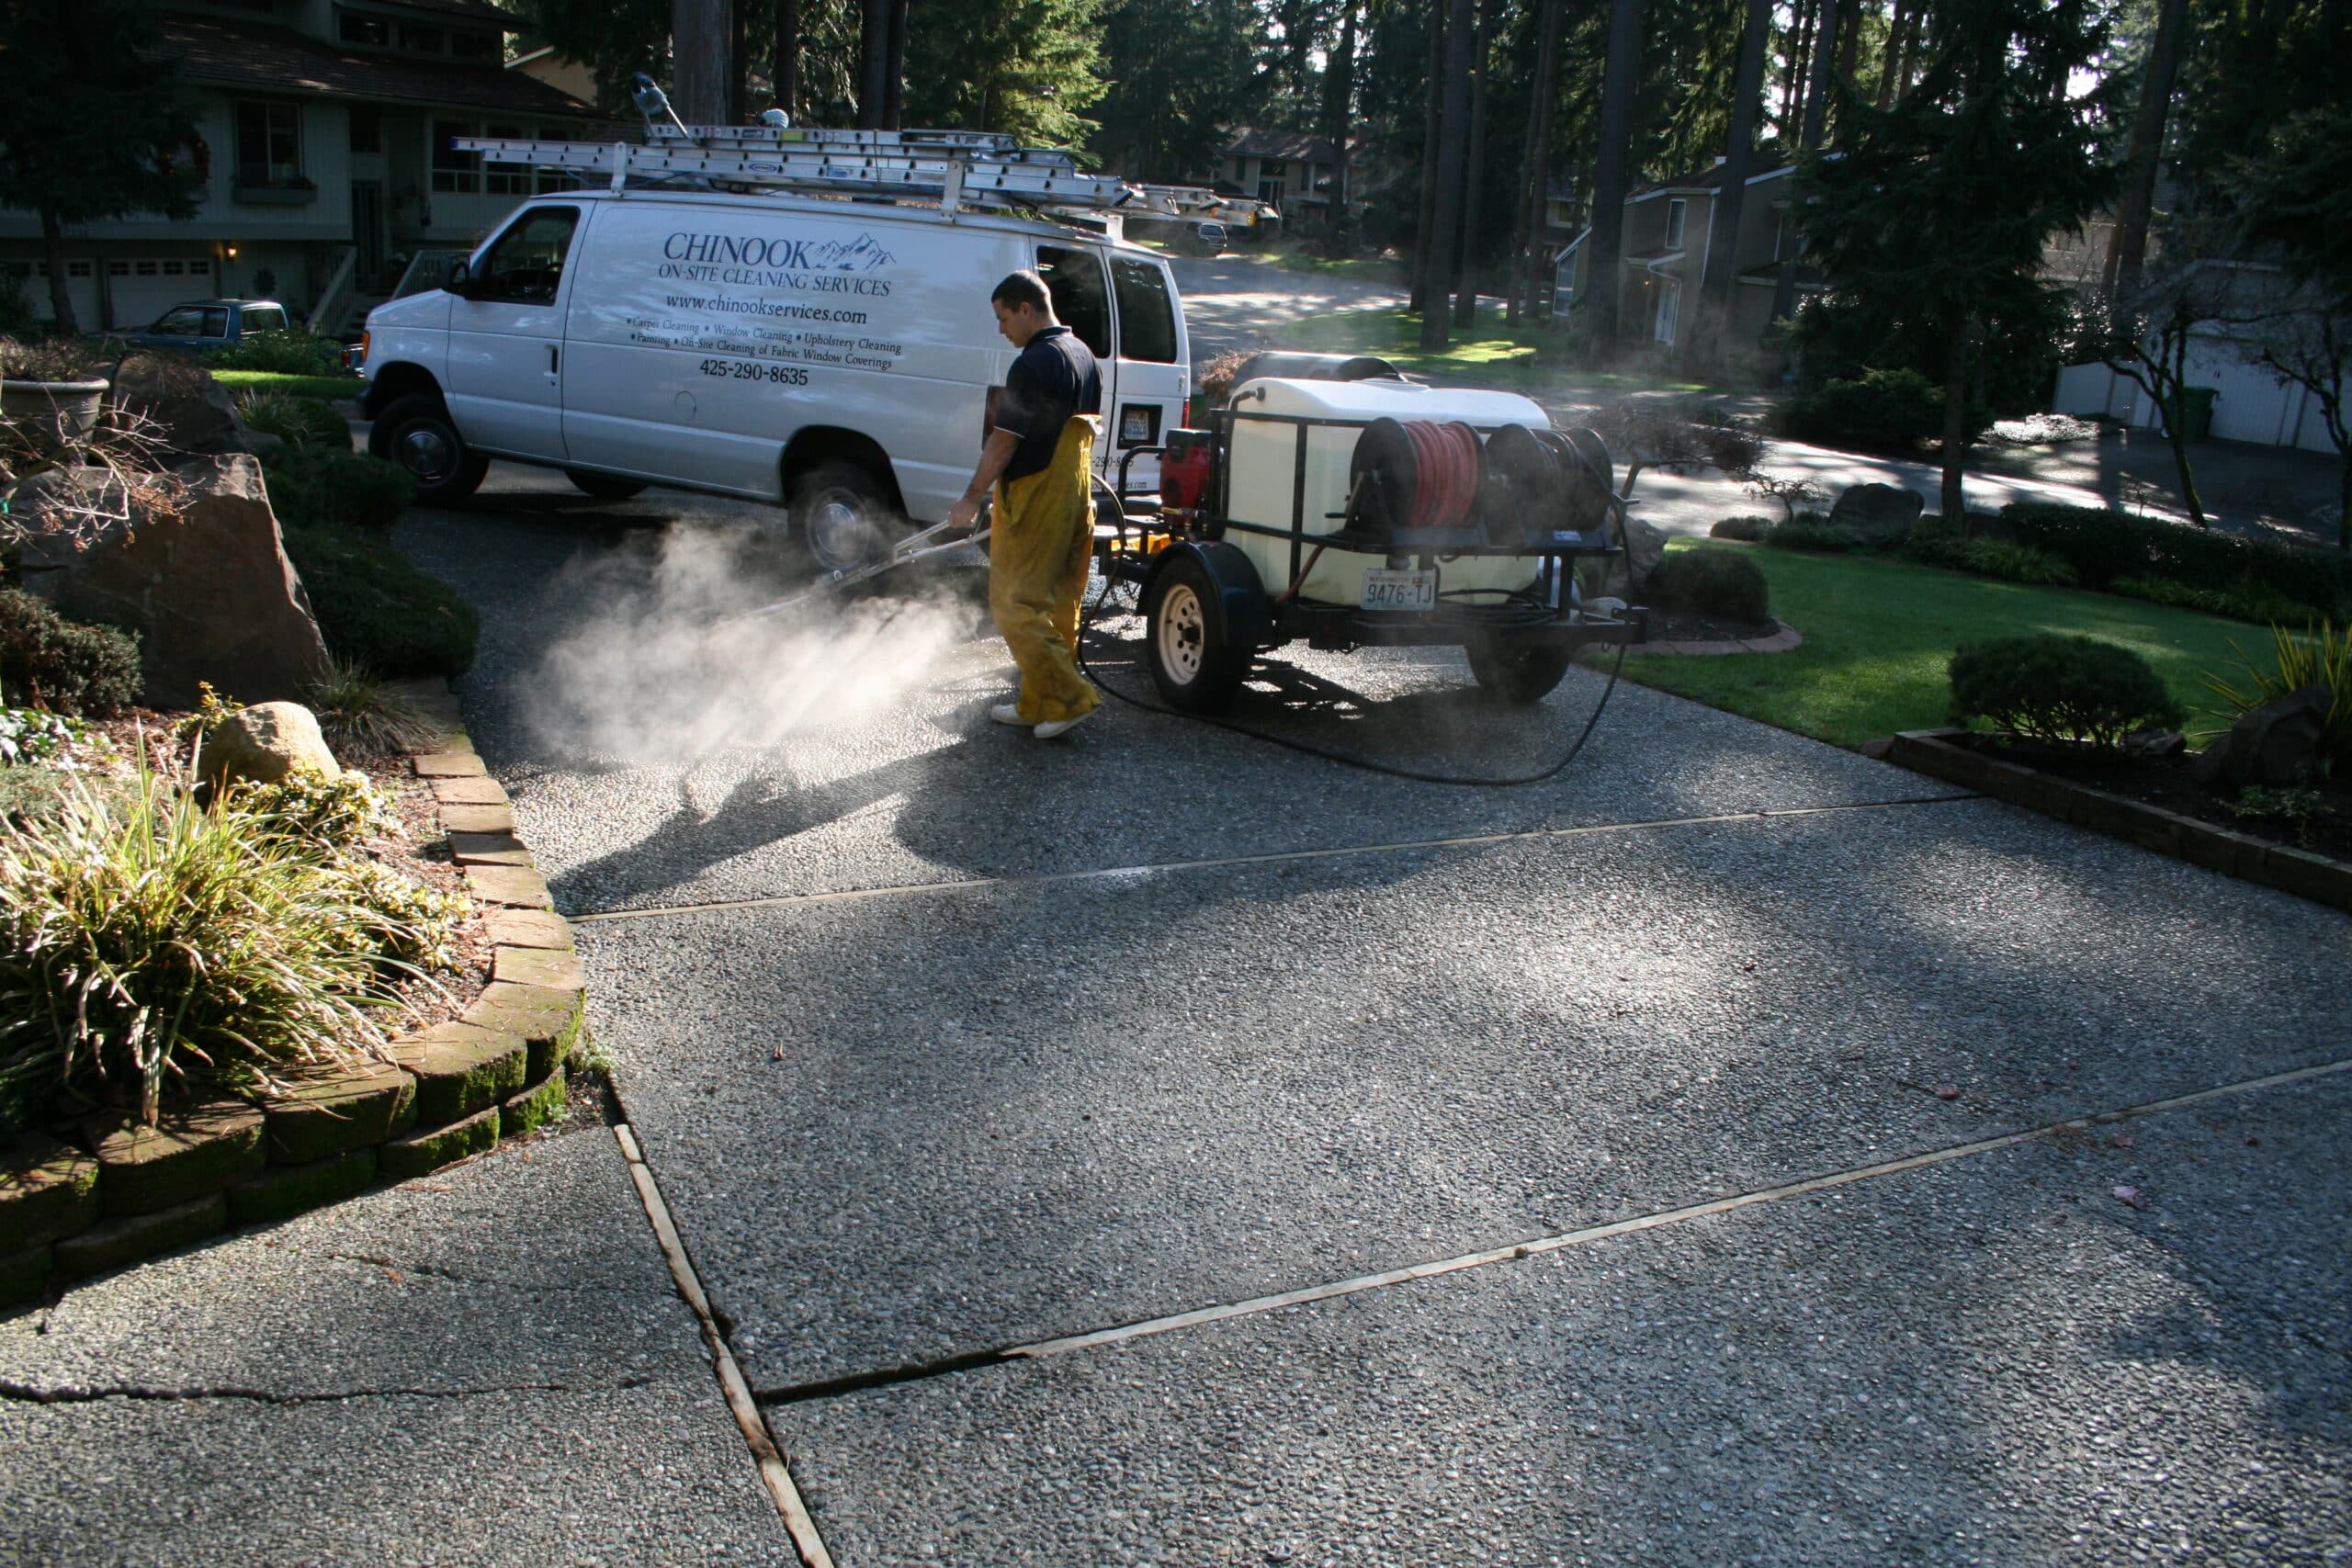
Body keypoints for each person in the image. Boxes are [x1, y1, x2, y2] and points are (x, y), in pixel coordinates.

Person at [944, 270, 1103, 739]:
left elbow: (1003, 442)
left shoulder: (1033, 363)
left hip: (1038, 495)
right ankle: (1040, 702)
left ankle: (1071, 697)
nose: (1001, 329)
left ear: (1026, 310)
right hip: (1076, 490)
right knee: (1057, 602)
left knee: (1013, 601)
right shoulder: (1083, 354)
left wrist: (971, 498)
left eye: (1003, 318)